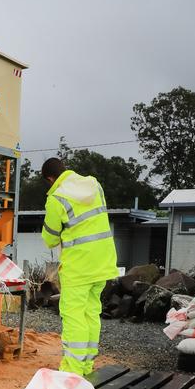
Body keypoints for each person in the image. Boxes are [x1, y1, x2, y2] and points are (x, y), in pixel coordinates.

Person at [41, 157, 118, 376]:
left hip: (79, 267)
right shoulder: (94, 184)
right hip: (103, 262)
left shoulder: (56, 199)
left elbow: (50, 239)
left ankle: (72, 371)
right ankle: (86, 365)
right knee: (92, 313)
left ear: (50, 178)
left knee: (74, 316)